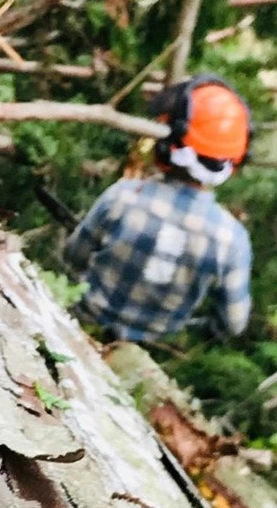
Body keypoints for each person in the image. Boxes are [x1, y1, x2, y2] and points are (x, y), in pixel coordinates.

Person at [64, 75, 253, 343]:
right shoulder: (232, 240)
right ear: (232, 162)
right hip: (151, 349)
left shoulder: (123, 196)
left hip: (78, 329)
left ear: (167, 144)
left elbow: (73, 256)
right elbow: (234, 322)